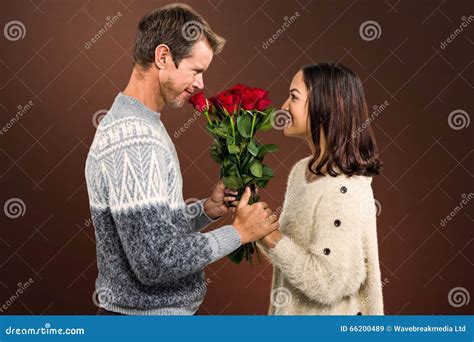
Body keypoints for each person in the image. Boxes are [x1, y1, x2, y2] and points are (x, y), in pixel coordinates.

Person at [85, 3, 279, 316]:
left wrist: (205, 211)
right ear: (163, 57)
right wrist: (239, 232)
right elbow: (154, 261)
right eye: (196, 70)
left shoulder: (144, 124)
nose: (201, 83)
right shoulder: (134, 138)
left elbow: (147, 230)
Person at [258, 62, 384, 315]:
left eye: (294, 97)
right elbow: (289, 253)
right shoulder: (302, 171)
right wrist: (257, 225)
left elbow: (328, 284)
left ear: (326, 106)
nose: (284, 106)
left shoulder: (344, 189)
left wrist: (269, 237)